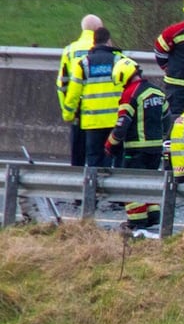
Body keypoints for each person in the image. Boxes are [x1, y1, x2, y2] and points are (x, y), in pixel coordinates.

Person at [106, 57, 171, 231]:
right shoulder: (157, 92)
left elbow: (122, 124)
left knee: (131, 184)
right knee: (149, 181)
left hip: (136, 149)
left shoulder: (130, 94)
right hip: (156, 149)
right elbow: (167, 119)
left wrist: (110, 145)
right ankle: (153, 215)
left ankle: (136, 221)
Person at [61, 27, 123, 167]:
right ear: (109, 41)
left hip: (92, 121)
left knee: (94, 158)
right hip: (115, 120)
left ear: (94, 42)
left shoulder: (83, 64)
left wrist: (68, 115)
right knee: (114, 157)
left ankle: (94, 188)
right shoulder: (120, 60)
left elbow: (73, 94)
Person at [57, 13, 103, 166]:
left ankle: (76, 185)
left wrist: (67, 111)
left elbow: (62, 84)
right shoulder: (104, 49)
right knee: (97, 156)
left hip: (78, 109)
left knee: (78, 155)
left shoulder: (70, 50)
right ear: (99, 29)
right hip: (101, 109)